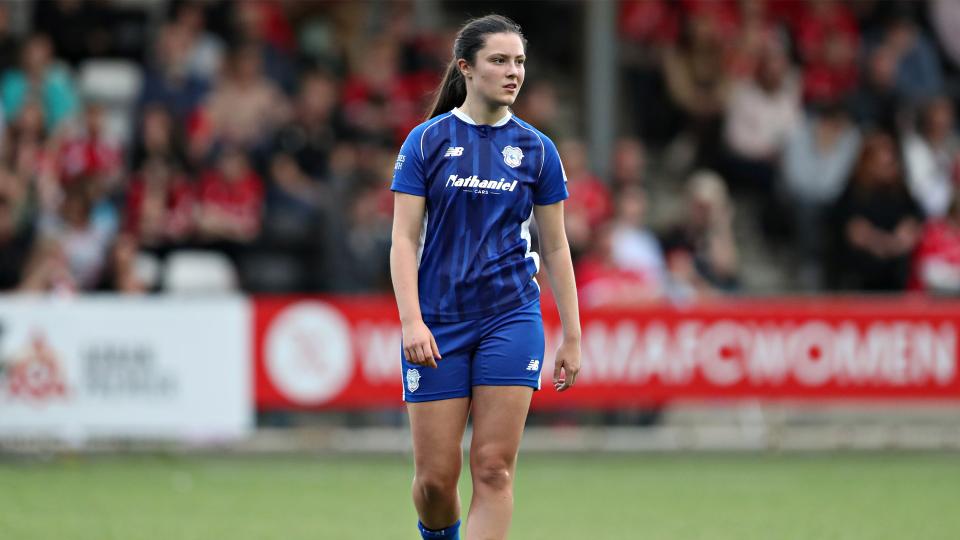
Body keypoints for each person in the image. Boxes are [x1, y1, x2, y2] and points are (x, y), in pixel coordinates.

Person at [389, 15, 581, 540]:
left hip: (511, 317)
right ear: (466, 68)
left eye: (519, 61)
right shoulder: (426, 141)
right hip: (438, 322)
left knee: (493, 469)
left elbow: (557, 245)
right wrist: (411, 322)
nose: (513, 71)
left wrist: (572, 334)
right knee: (433, 482)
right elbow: (404, 239)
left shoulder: (538, 150)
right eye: (499, 60)